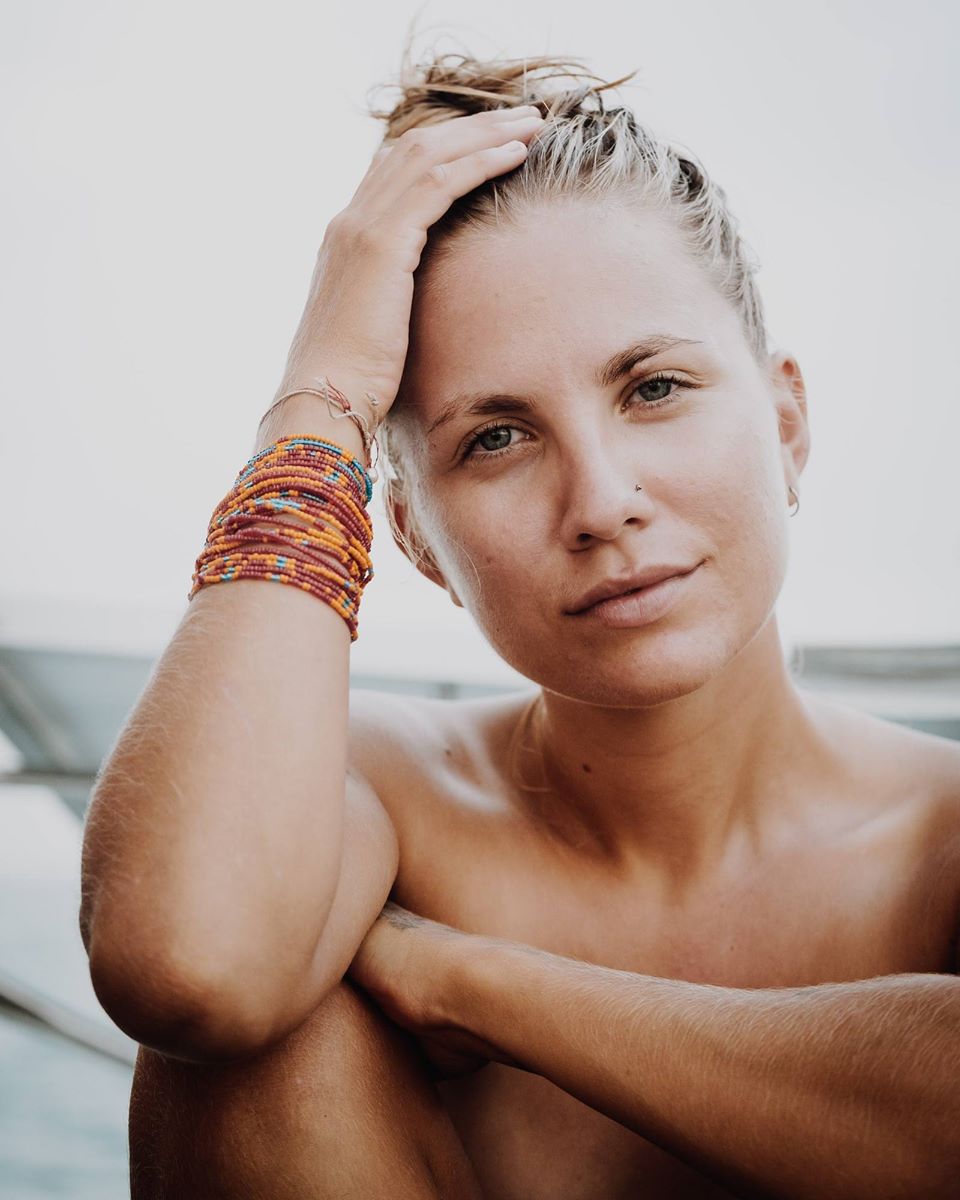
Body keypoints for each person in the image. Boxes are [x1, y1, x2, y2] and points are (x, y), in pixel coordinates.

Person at [79, 42, 960, 1200]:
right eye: (496, 438)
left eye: (654, 388)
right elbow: (191, 964)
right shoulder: (373, 796)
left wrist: (473, 984)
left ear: (787, 424)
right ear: (414, 542)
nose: (601, 502)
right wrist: (322, 395)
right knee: (262, 1032)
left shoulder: (941, 840)